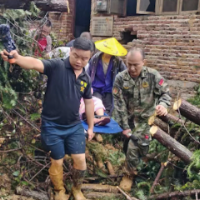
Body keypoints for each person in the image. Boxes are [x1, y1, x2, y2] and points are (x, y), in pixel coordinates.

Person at [1, 38, 95, 200]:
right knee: (57, 161)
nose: (79, 61)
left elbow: (88, 103)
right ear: (70, 51)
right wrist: (18, 59)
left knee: (80, 159)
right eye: (76, 56)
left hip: (74, 125)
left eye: (84, 58)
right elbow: (35, 63)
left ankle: (77, 189)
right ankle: (59, 190)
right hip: (52, 125)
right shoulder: (57, 66)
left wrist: (91, 127)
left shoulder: (86, 78)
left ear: (90, 57)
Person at [113, 48, 171, 192]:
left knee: (136, 143)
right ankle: (138, 167)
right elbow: (119, 105)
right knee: (128, 145)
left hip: (147, 119)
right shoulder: (120, 78)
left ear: (144, 62)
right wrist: (125, 127)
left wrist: (163, 105)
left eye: (136, 65)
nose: (132, 68)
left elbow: (166, 94)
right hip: (128, 119)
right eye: (129, 64)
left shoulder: (153, 76)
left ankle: (129, 174)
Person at [87, 37, 127, 115]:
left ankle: (106, 121)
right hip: (96, 87)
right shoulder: (95, 58)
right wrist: (88, 86)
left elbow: (124, 73)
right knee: (97, 106)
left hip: (110, 88)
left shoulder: (117, 61)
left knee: (109, 108)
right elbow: (88, 72)